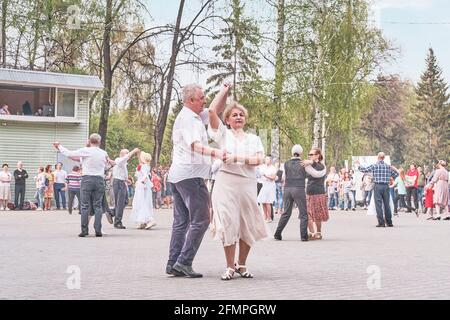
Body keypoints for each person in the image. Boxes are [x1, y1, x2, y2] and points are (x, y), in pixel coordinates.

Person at [165, 83, 229, 278]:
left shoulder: (190, 115)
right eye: (201, 97)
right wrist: (216, 152)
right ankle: (184, 262)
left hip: (178, 175)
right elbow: (196, 145)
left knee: (181, 222)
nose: (204, 100)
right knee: (201, 220)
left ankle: (173, 263)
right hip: (191, 176)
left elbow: (214, 111)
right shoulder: (190, 120)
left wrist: (224, 91)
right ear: (191, 100)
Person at [207, 84, 269, 280]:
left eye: (241, 115)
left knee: (247, 224)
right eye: (234, 115)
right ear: (227, 119)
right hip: (226, 183)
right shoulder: (223, 134)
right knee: (228, 222)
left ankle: (242, 265)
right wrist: (224, 91)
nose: (239, 117)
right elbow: (211, 110)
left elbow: (259, 160)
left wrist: (237, 158)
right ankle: (229, 266)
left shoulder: (254, 138)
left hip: (247, 183)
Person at [53, 133, 114, 237]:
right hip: (99, 179)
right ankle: (98, 230)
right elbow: (109, 164)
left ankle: (84, 230)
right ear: (99, 141)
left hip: (87, 179)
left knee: (85, 205)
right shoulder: (104, 153)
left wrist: (59, 146)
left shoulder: (86, 150)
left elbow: (69, 154)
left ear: (89, 141)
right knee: (98, 205)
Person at [274, 144, 326, 241]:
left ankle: (277, 234)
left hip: (287, 189)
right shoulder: (303, 164)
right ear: (301, 153)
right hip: (298, 189)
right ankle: (303, 236)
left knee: (286, 213)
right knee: (303, 214)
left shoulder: (286, 163)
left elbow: (284, 177)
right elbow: (317, 174)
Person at [355, 152, 399, 227]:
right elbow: (396, 175)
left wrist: (358, 165)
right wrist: (394, 169)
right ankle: (389, 222)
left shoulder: (375, 166)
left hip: (378, 186)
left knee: (378, 205)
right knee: (386, 204)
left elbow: (364, 170)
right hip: (386, 186)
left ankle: (381, 222)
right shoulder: (388, 166)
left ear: (378, 157)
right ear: (384, 158)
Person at [112, 147, 140, 229]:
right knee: (120, 203)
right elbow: (126, 158)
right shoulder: (119, 160)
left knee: (125, 201)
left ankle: (112, 212)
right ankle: (117, 222)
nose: (128, 155)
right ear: (122, 154)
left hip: (122, 182)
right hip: (118, 183)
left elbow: (120, 173)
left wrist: (126, 179)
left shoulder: (123, 163)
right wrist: (133, 151)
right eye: (126, 153)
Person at [304, 148, 328, 240]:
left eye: (312, 154)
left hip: (318, 192)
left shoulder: (321, 166)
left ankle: (318, 232)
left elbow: (318, 167)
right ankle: (311, 232)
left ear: (318, 155)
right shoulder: (308, 167)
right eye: (309, 154)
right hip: (309, 191)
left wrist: (310, 162)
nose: (310, 156)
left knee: (317, 214)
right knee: (307, 214)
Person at [130, 152, 156, 230]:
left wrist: (142, 182)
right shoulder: (145, 166)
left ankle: (149, 219)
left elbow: (145, 176)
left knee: (141, 202)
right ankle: (142, 222)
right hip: (142, 186)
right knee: (141, 202)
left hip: (142, 186)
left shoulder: (143, 166)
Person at [257, 157, 277, 222]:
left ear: (270, 161)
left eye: (267, 159)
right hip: (264, 184)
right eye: (265, 159)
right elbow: (259, 174)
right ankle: (265, 216)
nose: (266, 160)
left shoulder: (273, 168)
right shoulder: (264, 167)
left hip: (270, 185)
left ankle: (269, 217)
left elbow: (273, 177)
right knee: (263, 201)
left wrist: (266, 176)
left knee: (268, 201)